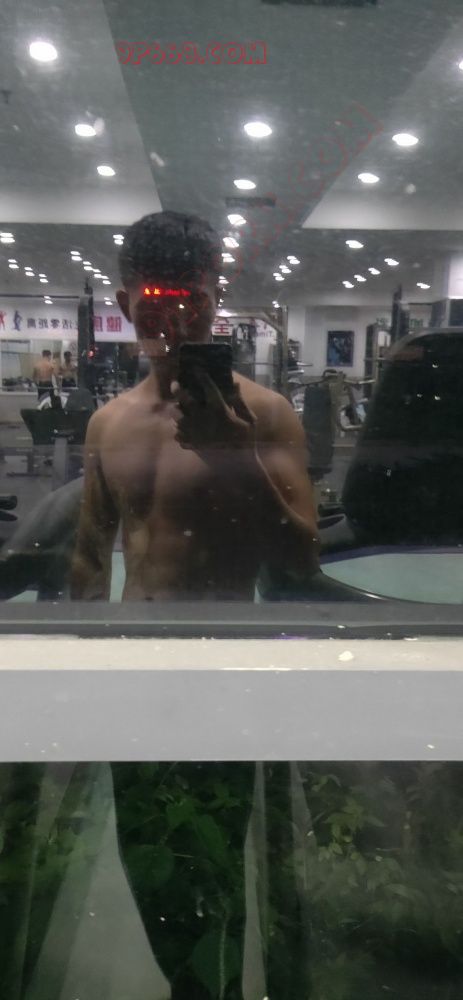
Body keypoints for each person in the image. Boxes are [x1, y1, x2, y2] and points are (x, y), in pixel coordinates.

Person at [70, 210, 319, 601]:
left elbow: (303, 561)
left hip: (224, 634)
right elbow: (89, 559)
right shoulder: (106, 424)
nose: (175, 328)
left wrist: (238, 461)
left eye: (191, 306)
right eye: (153, 312)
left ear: (218, 300)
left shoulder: (267, 414)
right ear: (124, 306)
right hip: (134, 632)